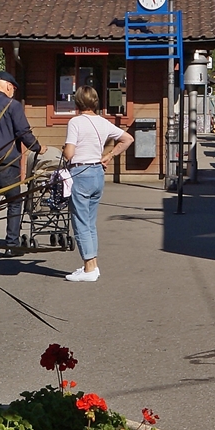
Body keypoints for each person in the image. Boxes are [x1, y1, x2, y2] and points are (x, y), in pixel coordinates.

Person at [62, 85, 133, 283]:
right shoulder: (103, 122)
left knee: (80, 222)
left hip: (81, 172)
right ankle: (92, 264)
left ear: (77, 102)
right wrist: (109, 155)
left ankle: (89, 268)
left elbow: (69, 153)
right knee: (90, 222)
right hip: (97, 173)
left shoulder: (75, 122)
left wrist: (63, 149)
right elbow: (128, 138)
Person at [0, 72, 42, 261]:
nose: (14, 92)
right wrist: (38, 147)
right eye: (13, 89)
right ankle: (11, 245)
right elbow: (23, 132)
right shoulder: (12, 105)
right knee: (14, 201)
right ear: (8, 86)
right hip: (8, 163)